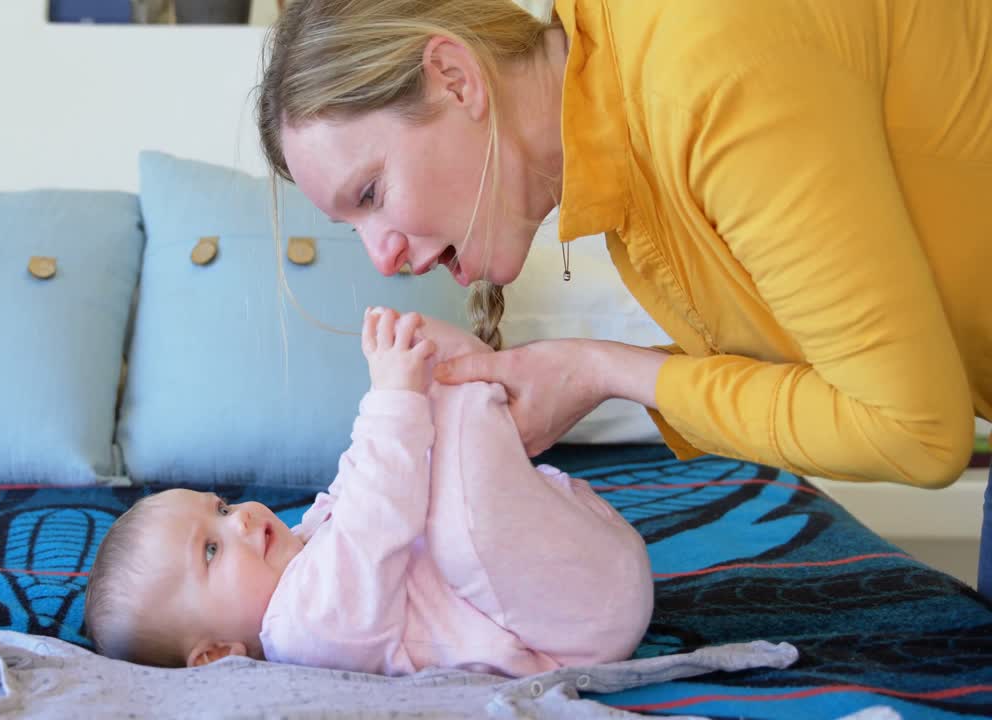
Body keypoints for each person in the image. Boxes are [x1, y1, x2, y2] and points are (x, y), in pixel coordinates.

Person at [254, 0, 992, 599]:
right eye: (352, 226)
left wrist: (601, 371)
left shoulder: (700, 68)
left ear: (454, 77)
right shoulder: (631, 169)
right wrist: (591, 374)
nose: (382, 259)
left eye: (372, 194)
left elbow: (914, 432)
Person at [84, 308, 653, 675]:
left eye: (221, 507)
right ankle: (470, 386)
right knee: (447, 523)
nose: (237, 521)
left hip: (571, 577)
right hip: (570, 623)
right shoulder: (303, 628)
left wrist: (399, 398)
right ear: (215, 656)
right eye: (210, 550)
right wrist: (394, 398)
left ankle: (464, 387)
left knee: (425, 472)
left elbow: (357, 483)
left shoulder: (303, 553)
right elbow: (375, 517)